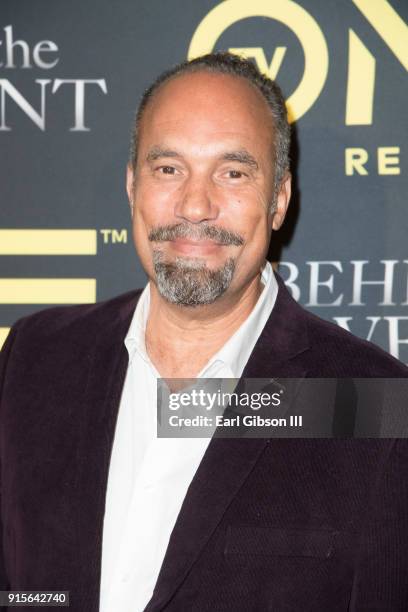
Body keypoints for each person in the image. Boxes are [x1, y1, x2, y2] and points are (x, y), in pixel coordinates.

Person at [1, 52, 407, 612]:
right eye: (168, 168)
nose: (195, 205)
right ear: (132, 185)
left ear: (279, 200)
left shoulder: (376, 406)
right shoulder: (36, 358)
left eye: (232, 172)